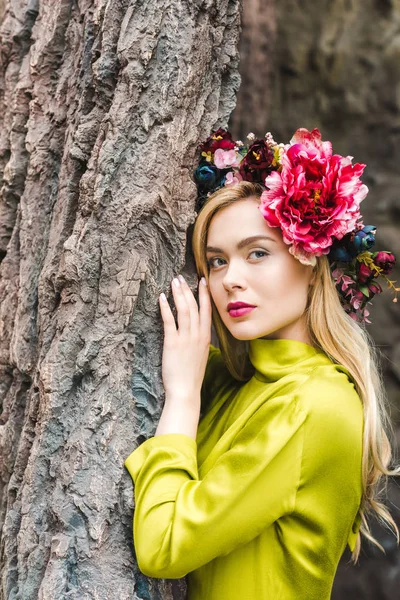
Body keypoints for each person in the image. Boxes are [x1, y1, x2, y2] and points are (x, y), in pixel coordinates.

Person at [124, 128, 400, 599]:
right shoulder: (234, 381)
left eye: (257, 253)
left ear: (311, 263)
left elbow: (162, 545)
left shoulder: (314, 404)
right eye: (215, 261)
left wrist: (184, 399)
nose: (231, 279)